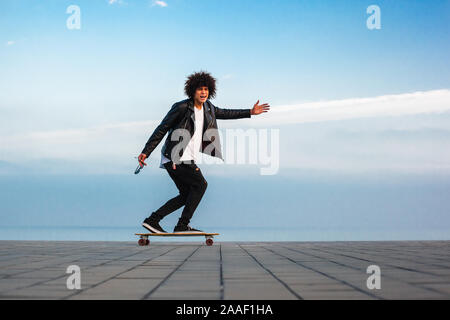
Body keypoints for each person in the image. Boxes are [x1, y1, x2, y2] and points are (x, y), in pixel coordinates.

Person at [138, 71, 270, 233]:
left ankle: (153, 220)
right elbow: (162, 129)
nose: (203, 92)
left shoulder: (209, 108)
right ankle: (182, 225)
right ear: (192, 91)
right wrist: (146, 151)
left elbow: (227, 113)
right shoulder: (181, 107)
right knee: (201, 185)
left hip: (185, 158)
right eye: (200, 89)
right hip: (175, 157)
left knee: (186, 194)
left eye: (206, 89)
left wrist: (250, 112)